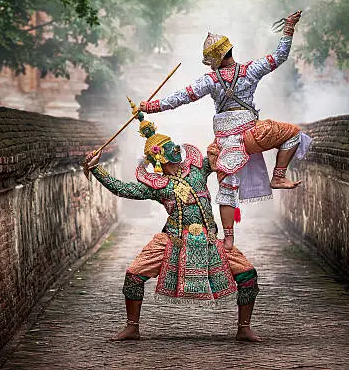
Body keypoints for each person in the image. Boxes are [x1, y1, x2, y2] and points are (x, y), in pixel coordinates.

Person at [138, 10, 311, 251]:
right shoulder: (251, 70)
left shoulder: (210, 80)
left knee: (227, 188)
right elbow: (280, 56)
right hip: (251, 135)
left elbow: (181, 98)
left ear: (215, 59)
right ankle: (279, 175)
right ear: (229, 50)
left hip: (223, 144)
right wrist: (288, 28)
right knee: (292, 134)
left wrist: (151, 107)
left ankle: (229, 238)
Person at [83, 113, 261, 342]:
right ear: (158, 158)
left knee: (248, 275)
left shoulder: (198, 169)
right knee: (133, 275)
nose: (175, 148)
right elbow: (122, 189)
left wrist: (238, 123)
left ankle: (243, 328)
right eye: (167, 148)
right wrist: (97, 169)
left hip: (209, 239)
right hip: (172, 239)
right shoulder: (157, 186)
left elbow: (219, 149)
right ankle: (132, 327)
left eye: (172, 144)